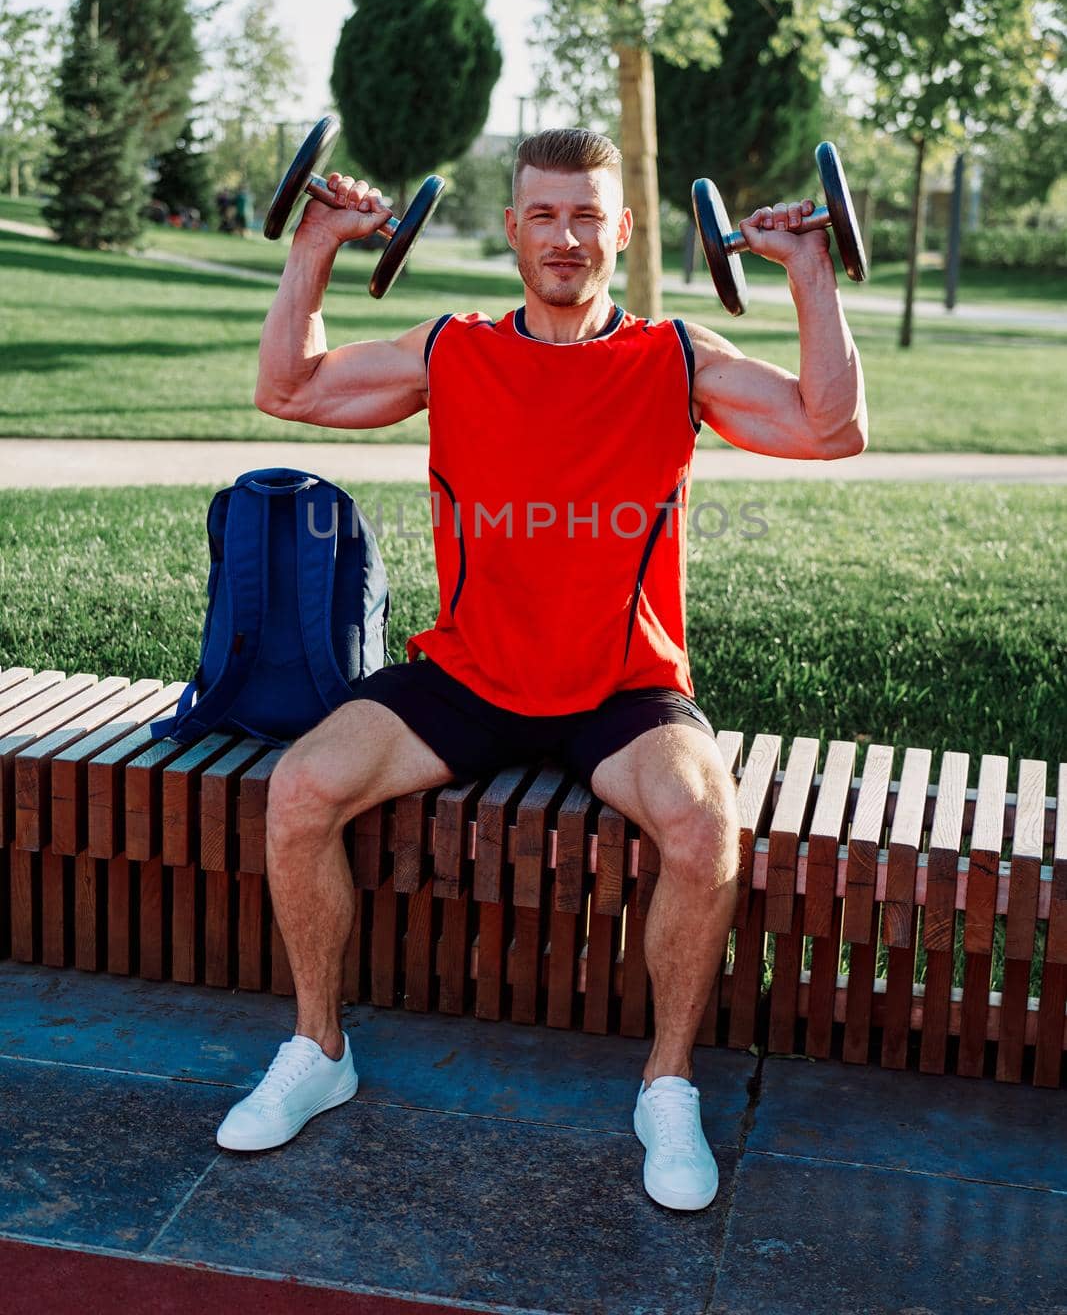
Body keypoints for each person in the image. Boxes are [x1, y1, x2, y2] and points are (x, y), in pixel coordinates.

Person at [219, 128, 868, 1212]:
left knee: (704, 824)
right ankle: (318, 1049)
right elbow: (289, 390)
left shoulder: (672, 356)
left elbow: (831, 427)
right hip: (468, 675)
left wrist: (809, 274)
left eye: (586, 216)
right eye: (543, 215)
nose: (564, 237)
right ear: (513, 228)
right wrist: (316, 246)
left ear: (619, 230)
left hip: (620, 688)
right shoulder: (452, 350)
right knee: (299, 788)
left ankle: (665, 1085)